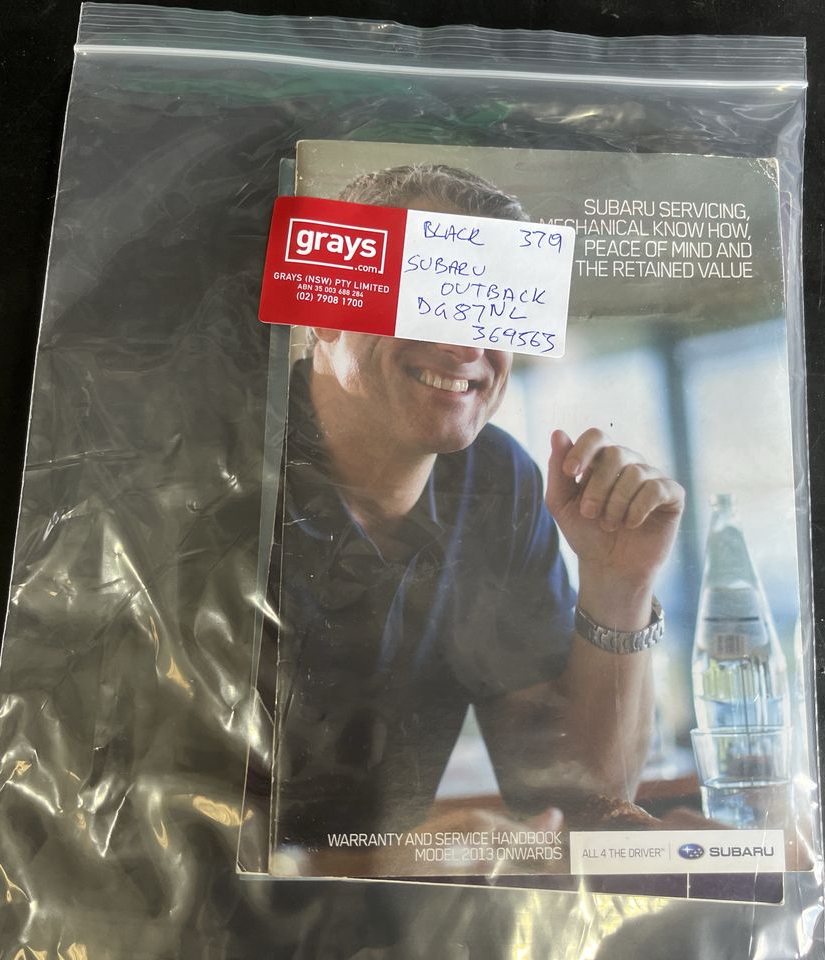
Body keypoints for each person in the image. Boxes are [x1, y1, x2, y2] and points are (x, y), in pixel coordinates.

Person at [272, 164, 685, 873]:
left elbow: (577, 791)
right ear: (327, 307)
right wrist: (379, 866)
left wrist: (618, 587)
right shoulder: (216, 475)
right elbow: (133, 810)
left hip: (387, 920)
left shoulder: (496, 480)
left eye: (495, 309)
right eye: (433, 298)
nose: (468, 347)